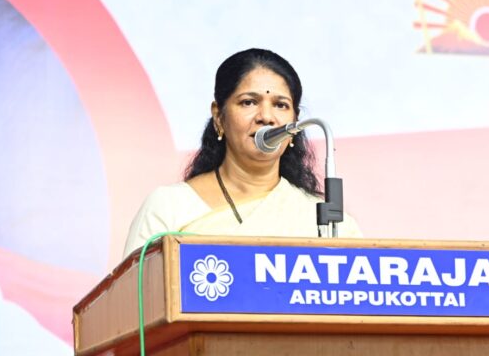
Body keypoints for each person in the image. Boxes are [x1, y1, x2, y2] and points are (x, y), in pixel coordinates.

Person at [123, 48, 361, 257]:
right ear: (219, 116)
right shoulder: (168, 207)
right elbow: (138, 292)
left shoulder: (328, 223)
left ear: (295, 124)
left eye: (280, 105)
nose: (266, 117)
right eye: (249, 102)